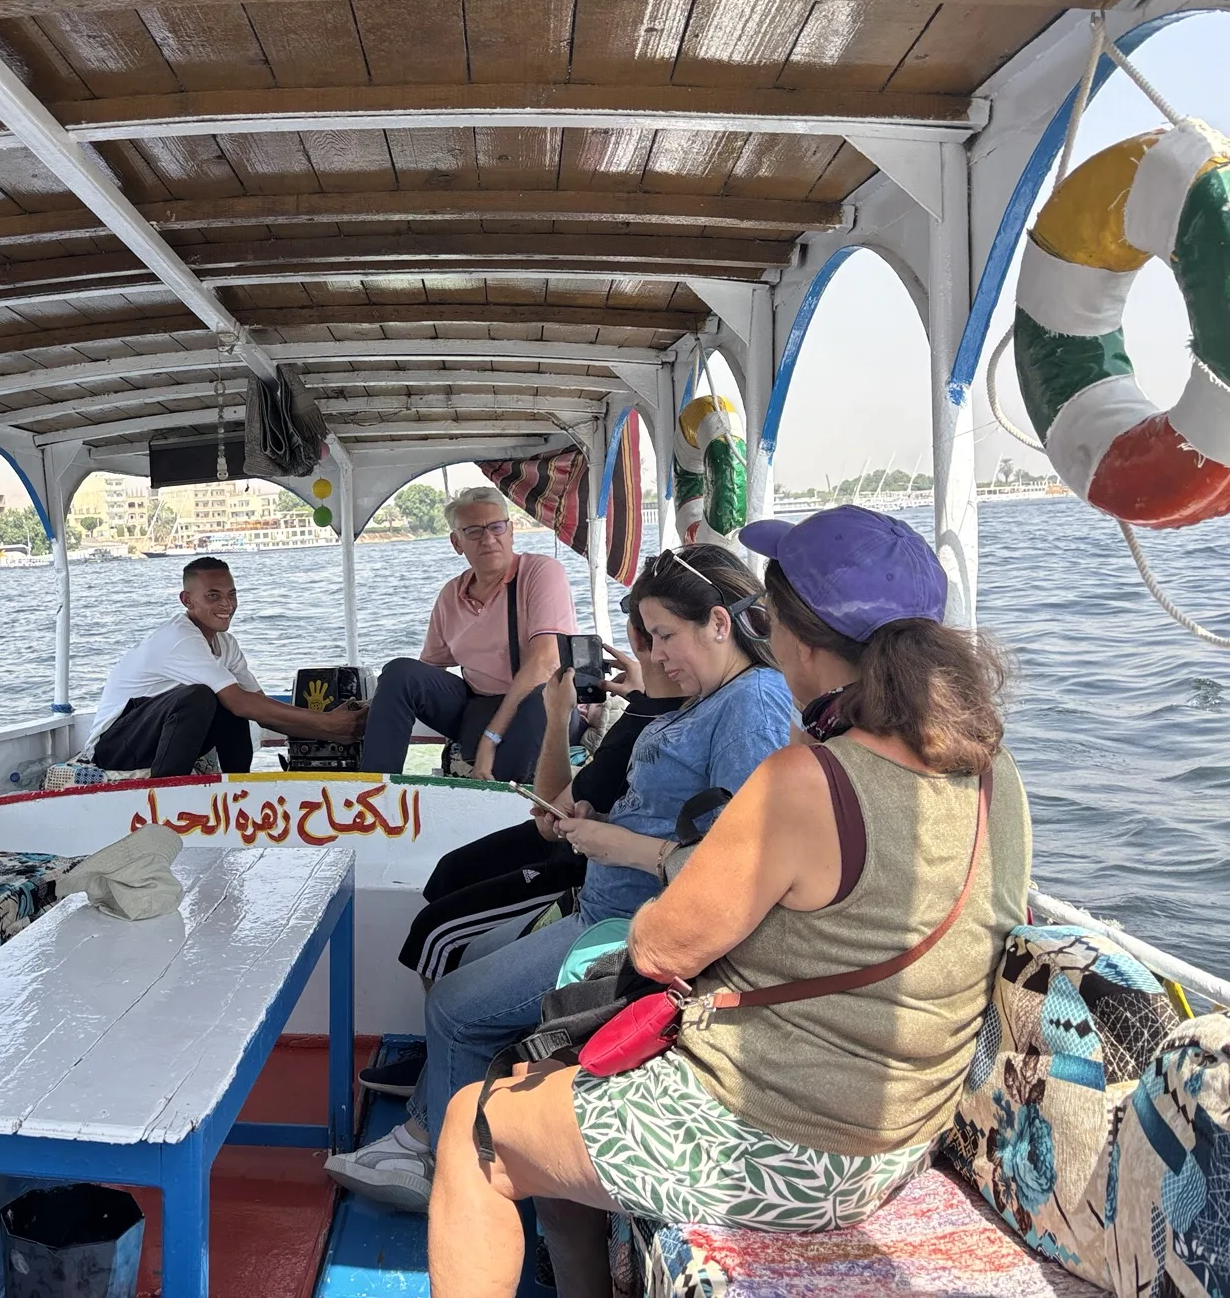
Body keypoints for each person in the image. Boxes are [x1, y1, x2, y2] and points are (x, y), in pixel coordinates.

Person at [427, 507, 1032, 1298]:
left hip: (788, 1141)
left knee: (472, 1127)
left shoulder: (806, 780)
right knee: (541, 1084)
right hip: (908, 1123)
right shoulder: (992, 771)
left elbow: (659, 949)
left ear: (798, 641)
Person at [327, 544, 794, 1212]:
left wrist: (620, 844)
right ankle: (434, 1126)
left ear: (720, 623)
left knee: (455, 1007)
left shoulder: (751, 704)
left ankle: (444, 1167)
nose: (657, 655)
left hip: (631, 933)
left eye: (665, 636)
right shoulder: (714, 695)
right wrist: (600, 819)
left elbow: (737, 864)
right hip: (602, 909)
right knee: (469, 959)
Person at [365, 608, 685, 1094]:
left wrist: (557, 718)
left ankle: (443, 1060)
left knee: (436, 935)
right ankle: (444, 1054)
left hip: (575, 865)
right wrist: (623, 698)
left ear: (638, 642)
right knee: (450, 871)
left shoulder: (655, 722)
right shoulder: (642, 710)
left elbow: (550, 811)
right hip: (569, 841)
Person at [359, 486, 576, 783]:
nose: (488, 539)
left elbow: (546, 662)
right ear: (456, 542)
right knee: (400, 673)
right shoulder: (452, 595)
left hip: (539, 707)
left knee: (540, 699)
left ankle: (502, 798)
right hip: (478, 708)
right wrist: (377, 706)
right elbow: (428, 672)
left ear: (511, 531)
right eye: (473, 531)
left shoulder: (540, 572)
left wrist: (490, 738)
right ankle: (373, 790)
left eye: (496, 527)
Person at [90, 556, 365, 777]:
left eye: (231, 594)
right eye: (213, 596)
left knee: (232, 702)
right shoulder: (180, 638)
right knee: (203, 696)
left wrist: (335, 732)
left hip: (154, 740)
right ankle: (165, 795)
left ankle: (238, 787)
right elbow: (240, 703)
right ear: (187, 600)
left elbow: (260, 709)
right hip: (115, 747)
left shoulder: (226, 644)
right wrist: (327, 722)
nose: (227, 604)